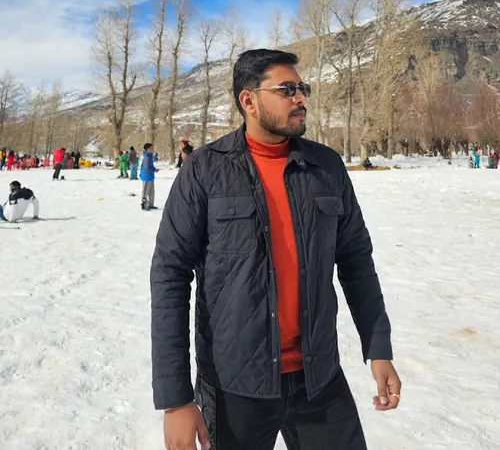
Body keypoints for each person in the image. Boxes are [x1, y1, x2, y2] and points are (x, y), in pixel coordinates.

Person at [151, 49, 401, 450]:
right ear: (248, 101)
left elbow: (356, 261)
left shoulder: (326, 167)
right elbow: (169, 276)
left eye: (302, 88)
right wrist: (176, 399)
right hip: (234, 386)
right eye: (287, 89)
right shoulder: (204, 171)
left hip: (319, 379)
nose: (300, 98)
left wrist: (378, 348)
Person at [140, 143, 158, 210]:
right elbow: (146, 167)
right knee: (146, 191)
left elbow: (150, 166)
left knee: (151, 191)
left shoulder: (150, 156)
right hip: (146, 176)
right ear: (148, 149)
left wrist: (154, 169)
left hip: (150, 175)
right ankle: (144, 205)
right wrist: (154, 170)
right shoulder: (146, 157)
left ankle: (151, 204)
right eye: (151, 148)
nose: (152, 149)